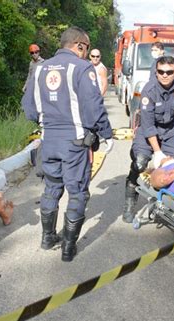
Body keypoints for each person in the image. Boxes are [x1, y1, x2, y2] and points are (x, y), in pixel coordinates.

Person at [22, 26, 114, 262]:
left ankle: (47, 237)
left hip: (48, 140)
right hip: (74, 142)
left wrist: (47, 121)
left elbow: (29, 108)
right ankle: (68, 248)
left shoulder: (40, 68)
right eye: (86, 48)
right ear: (80, 45)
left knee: (51, 188)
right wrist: (107, 134)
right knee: (77, 191)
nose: (86, 54)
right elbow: (94, 108)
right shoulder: (82, 68)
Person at [123, 56, 174, 223]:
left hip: (170, 130)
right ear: (156, 71)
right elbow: (147, 125)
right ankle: (130, 197)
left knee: (171, 170)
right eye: (161, 72)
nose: (164, 75)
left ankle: (166, 205)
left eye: (169, 72)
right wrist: (157, 152)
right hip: (148, 131)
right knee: (140, 163)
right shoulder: (149, 90)